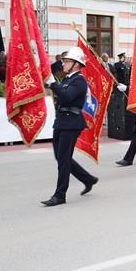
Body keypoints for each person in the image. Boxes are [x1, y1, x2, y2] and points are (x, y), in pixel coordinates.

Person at [41, 47, 98, 206]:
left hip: (72, 123)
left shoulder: (80, 80)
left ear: (76, 64)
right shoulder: (67, 79)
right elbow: (60, 93)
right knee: (60, 157)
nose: (63, 64)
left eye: (67, 61)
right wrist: (49, 82)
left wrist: (53, 84)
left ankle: (60, 195)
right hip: (61, 121)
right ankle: (88, 179)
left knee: (63, 160)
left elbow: (66, 96)